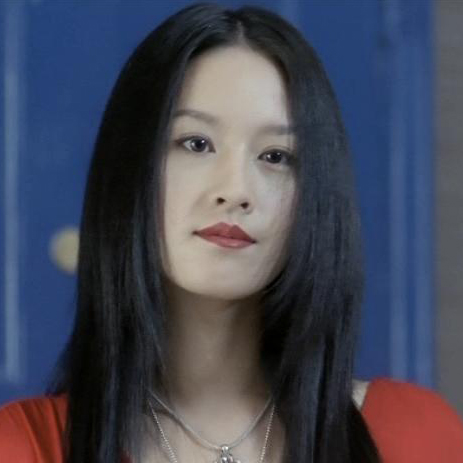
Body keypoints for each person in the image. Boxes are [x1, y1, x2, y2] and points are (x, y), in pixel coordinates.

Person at [1, 3, 463, 463]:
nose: (236, 190)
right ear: (129, 169)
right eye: (196, 143)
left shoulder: (415, 436)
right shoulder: (23, 446)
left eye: (276, 156)